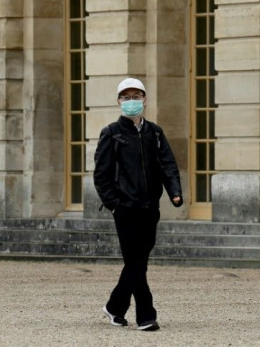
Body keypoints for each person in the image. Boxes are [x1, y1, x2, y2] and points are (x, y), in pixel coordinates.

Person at [93, 77, 183, 332]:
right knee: (135, 261)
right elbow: (101, 174)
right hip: (125, 208)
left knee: (138, 262)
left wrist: (174, 192)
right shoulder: (111, 133)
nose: (132, 101)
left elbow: (168, 165)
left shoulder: (155, 132)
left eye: (136, 96)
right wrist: (113, 204)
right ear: (119, 101)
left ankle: (114, 307)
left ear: (144, 99)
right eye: (126, 97)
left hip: (149, 207)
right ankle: (146, 315)